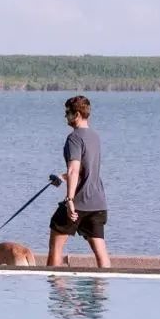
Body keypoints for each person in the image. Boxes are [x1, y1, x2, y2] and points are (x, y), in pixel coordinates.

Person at [47, 94, 110, 270]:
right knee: (101, 252)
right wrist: (62, 177)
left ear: (77, 114)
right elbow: (85, 169)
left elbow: (74, 169)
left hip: (79, 202)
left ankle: (54, 288)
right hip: (98, 203)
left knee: (56, 246)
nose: (65, 116)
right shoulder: (95, 137)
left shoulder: (73, 138)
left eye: (67, 112)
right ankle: (102, 292)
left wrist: (70, 201)